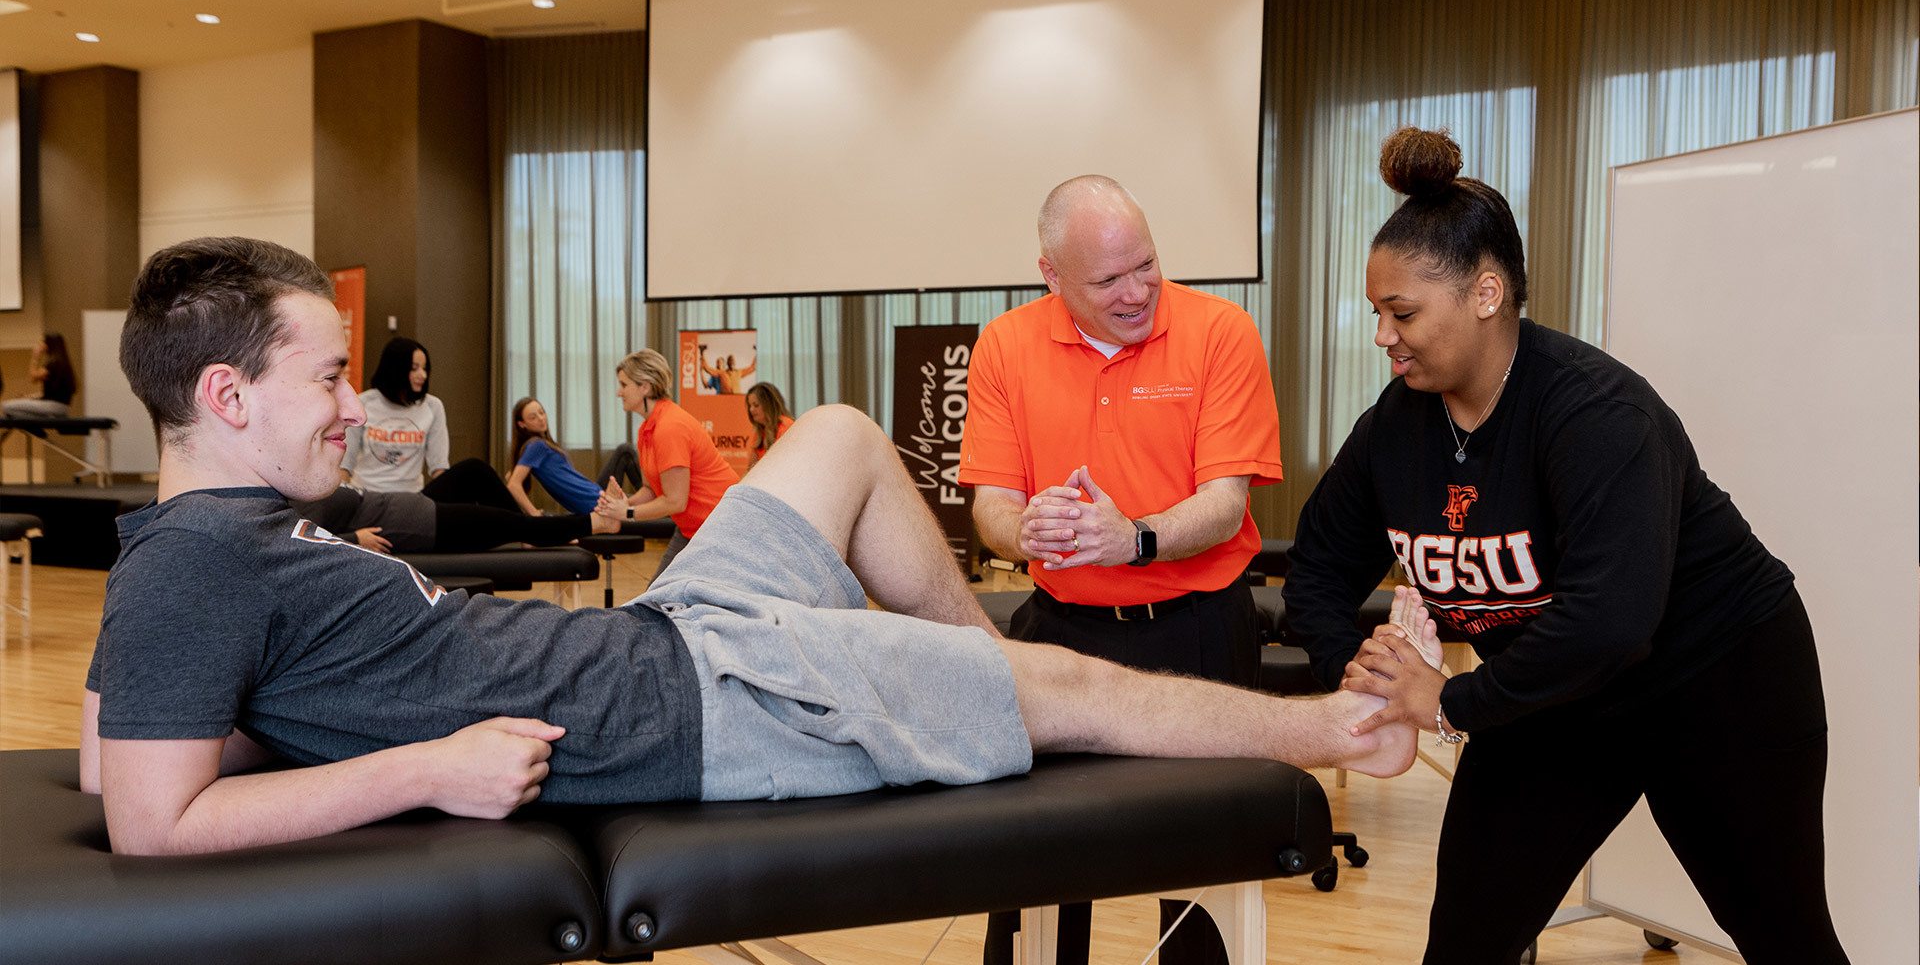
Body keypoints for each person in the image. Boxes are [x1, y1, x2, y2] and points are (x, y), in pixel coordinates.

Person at [80, 236, 1417, 858]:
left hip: (658, 638)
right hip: (698, 707)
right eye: (327, 378)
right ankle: (1333, 733)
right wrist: (424, 765)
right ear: (227, 397)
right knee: (1060, 680)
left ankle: (977, 687)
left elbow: (112, 750)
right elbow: (146, 814)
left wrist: (302, 729)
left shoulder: (214, 541)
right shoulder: (197, 560)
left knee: (838, 435)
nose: (350, 404)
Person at [1283, 128, 1850, 964]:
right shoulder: (1392, 431)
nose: (1383, 336)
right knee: (1467, 943)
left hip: (1718, 679)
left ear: (1486, 293)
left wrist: (1450, 703)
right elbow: (1318, 572)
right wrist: (1366, 679)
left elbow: (1610, 621)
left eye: (1402, 313)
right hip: (1551, 698)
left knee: (1785, 937)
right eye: (1376, 314)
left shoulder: (1596, 414)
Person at [959, 175, 1284, 965]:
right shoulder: (1006, 344)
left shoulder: (1220, 331)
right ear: (1052, 276)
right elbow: (991, 505)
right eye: (1109, 280)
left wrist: (1133, 538)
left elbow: (1223, 503)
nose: (1138, 292)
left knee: (1204, 866)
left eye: (1147, 265)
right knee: (1036, 859)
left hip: (1197, 629)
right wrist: (1022, 530)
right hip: (1060, 634)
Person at [598, 349, 742, 575]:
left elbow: (675, 502)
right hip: (691, 529)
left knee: (667, 595)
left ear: (645, 387)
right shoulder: (647, 429)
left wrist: (627, 513)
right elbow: (651, 490)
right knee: (657, 593)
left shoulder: (670, 427)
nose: (619, 392)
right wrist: (623, 505)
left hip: (722, 528)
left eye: (624, 385)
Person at [289, 484, 620, 554]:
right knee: (517, 525)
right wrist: (355, 539)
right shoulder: (297, 505)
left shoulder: (301, 489)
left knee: (512, 523)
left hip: (424, 512)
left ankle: (592, 522)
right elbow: (302, 543)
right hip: (426, 527)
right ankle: (598, 522)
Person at [342, 336, 447, 492]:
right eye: (414, 368)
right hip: (366, 494)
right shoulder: (363, 403)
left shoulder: (433, 406)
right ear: (396, 369)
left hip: (410, 497)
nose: (423, 375)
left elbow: (439, 467)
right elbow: (345, 464)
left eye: (424, 368)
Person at [505, 396, 640, 516]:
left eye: (542, 412)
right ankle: (650, 493)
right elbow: (513, 484)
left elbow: (510, 477)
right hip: (593, 502)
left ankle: (649, 495)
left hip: (595, 493)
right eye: (533, 417)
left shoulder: (537, 446)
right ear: (522, 424)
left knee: (639, 499)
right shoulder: (536, 445)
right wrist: (534, 513)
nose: (541, 418)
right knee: (625, 451)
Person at [2, 333, 77, 418]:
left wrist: (35, 356)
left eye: (43, 342)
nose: (41, 344)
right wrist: (29, 397)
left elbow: (33, 378)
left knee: (6, 406)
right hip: (62, 407)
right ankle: (43, 419)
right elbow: (50, 394)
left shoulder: (53, 363)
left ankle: (43, 419)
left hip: (52, 407)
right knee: (16, 413)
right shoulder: (63, 363)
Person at [744, 382, 793, 467]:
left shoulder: (786, 425)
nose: (751, 409)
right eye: (750, 405)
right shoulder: (760, 432)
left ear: (769, 405)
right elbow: (751, 467)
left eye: (756, 405)